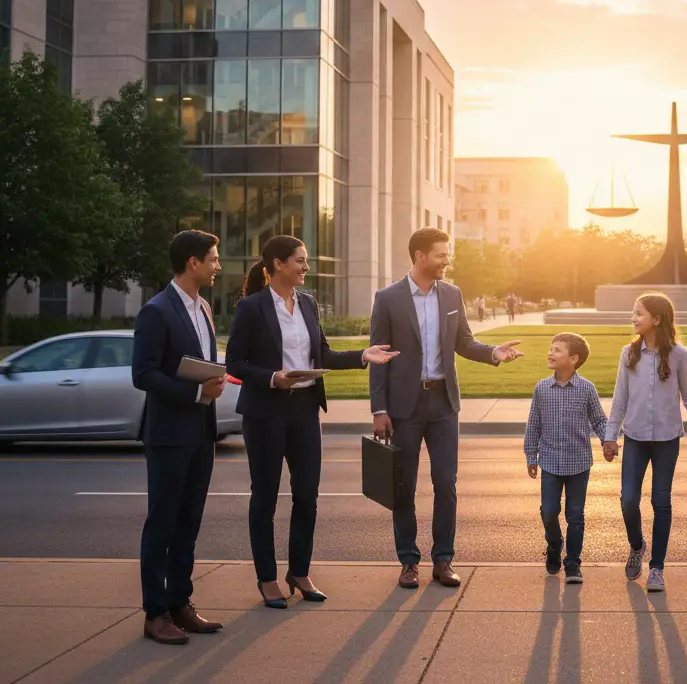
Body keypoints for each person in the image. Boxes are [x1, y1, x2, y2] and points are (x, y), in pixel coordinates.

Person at [226, 235, 399, 608]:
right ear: (276, 265)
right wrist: (273, 377)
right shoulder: (252, 308)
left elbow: (322, 353)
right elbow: (235, 362)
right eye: (300, 261)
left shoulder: (307, 304)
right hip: (266, 412)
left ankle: (299, 571)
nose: (306, 267)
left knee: (307, 495)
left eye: (305, 261)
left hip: (304, 409)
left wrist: (363, 355)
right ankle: (268, 578)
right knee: (266, 497)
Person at [370, 227, 524, 589]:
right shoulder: (388, 298)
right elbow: (379, 355)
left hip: (443, 403)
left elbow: (465, 343)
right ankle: (408, 561)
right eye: (441, 254)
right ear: (420, 255)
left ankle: (443, 560)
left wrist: (492, 353)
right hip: (403, 406)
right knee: (403, 486)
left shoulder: (452, 294)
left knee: (446, 482)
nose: (447, 261)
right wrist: (379, 409)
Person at [132, 230, 226, 645]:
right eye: (213, 258)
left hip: (201, 432)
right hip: (169, 434)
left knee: (188, 524)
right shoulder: (157, 310)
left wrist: (212, 380)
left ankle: (180, 603)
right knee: (163, 525)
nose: (218, 266)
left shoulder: (203, 307)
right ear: (193, 262)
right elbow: (143, 373)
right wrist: (195, 391)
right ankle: (156, 613)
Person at [603, 294, 687, 593]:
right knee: (628, 500)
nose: (633, 318)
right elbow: (620, 398)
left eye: (639, 314)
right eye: (633, 313)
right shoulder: (628, 354)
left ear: (657, 319)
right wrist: (611, 435)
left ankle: (657, 567)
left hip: (667, 440)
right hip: (634, 438)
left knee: (661, 502)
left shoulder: (678, 355)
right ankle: (637, 546)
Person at [524, 332, 611, 584]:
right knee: (549, 512)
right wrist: (531, 455)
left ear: (573, 359)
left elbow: (599, 420)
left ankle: (573, 563)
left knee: (576, 516)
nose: (551, 353)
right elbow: (534, 425)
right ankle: (554, 545)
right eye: (551, 349)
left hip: (578, 463)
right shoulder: (541, 388)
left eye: (557, 350)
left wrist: (608, 441)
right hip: (549, 462)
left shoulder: (587, 389)